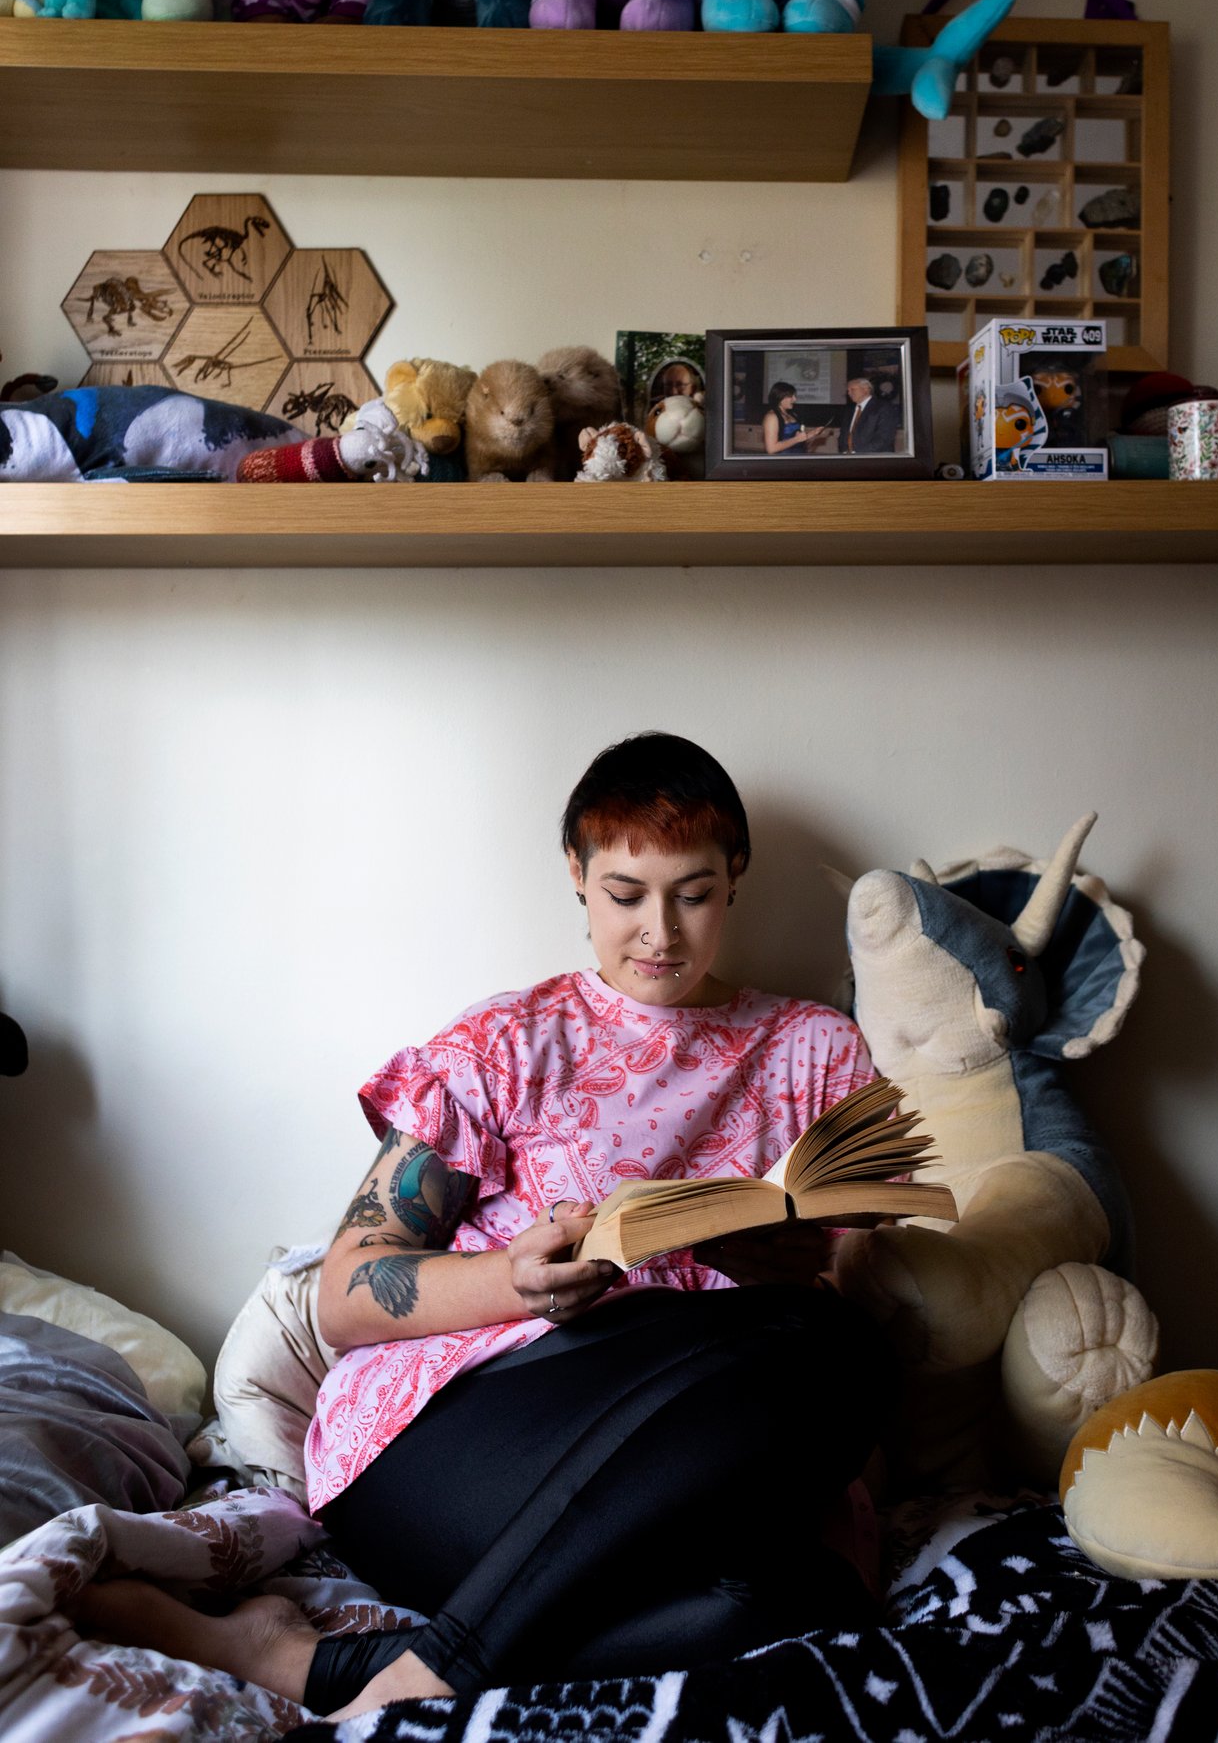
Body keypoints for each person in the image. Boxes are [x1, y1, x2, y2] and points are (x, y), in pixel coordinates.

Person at [74, 734, 892, 1719]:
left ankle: (311, 1665)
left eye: (694, 895)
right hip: (455, 1443)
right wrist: (518, 1279)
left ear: (735, 881)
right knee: (815, 1343)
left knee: (808, 1571)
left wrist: (789, 1266)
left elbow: (865, 1298)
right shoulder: (505, 1043)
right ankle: (433, 1673)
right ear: (577, 875)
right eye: (625, 895)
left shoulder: (815, 1051)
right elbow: (346, 1292)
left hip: (689, 1454)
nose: (660, 934)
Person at [833, 376, 898, 456]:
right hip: (849, 458)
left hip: (874, 458)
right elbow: (843, 436)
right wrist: (844, 452)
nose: (849, 393)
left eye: (852, 389)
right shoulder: (849, 411)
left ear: (866, 389)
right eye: (848, 391)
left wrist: (859, 453)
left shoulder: (883, 407)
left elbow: (884, 438)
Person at [761, 380, 828, 454]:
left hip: (798, 457)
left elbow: (795, 439)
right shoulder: (771, 417)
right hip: (784, 460)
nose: (794, 399)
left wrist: (812, 433)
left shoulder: (792, 414)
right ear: (780, 397)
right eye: (791, 396)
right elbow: (771, 449)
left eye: (794, 396)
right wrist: (796, 439)